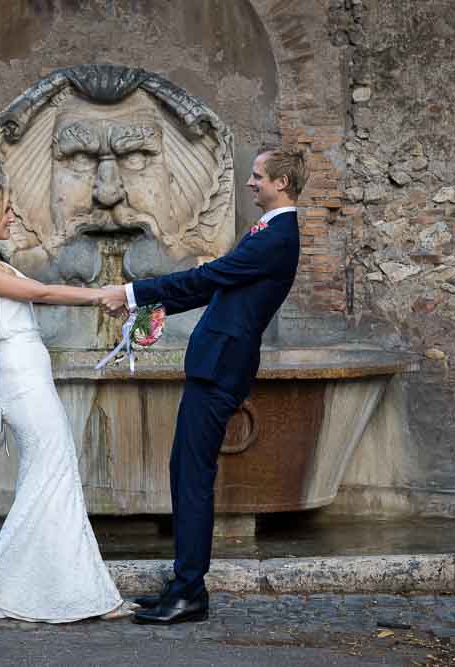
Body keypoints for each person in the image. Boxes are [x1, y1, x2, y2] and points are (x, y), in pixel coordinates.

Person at [99, 148, 308, 625]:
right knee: (184, 472)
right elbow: (212, 289)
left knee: (192, 478)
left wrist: (132, 291)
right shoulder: (267, 233)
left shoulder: (278, 237)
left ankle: (190, 591)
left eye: (258, 176)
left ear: (282, 183)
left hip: (222, 367)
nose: (251, 183)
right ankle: (183, 584)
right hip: (214, 364)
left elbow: (209, 275)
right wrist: (146, 311)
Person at [0, 177, 133, 622]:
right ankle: (64, 591)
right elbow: (41, 294)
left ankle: (69, 588)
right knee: (52, 473)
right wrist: (104, 294)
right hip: (21, 376)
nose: (12, 217)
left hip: (31, 370)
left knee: (54, 474)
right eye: (5, 210)